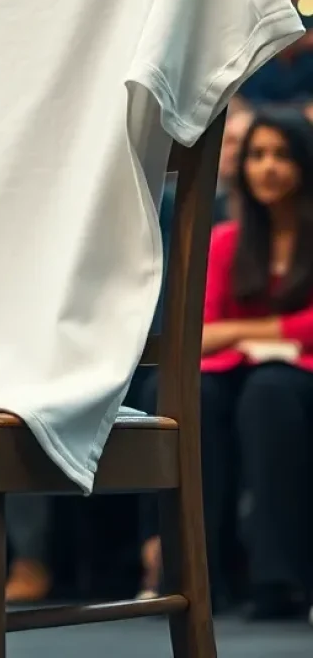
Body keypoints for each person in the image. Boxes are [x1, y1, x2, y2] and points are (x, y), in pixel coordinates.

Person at [141, 108, 313, 619]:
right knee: (183, 394)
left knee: (271, 393)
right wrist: (261, 334)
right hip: (234, 371)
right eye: (258, 155)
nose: (267, 167)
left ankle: (279, 579)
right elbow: (200, 333)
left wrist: (243, 333)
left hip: (293, 379)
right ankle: (194, 573)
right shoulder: (223, 241)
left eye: (282, 155)